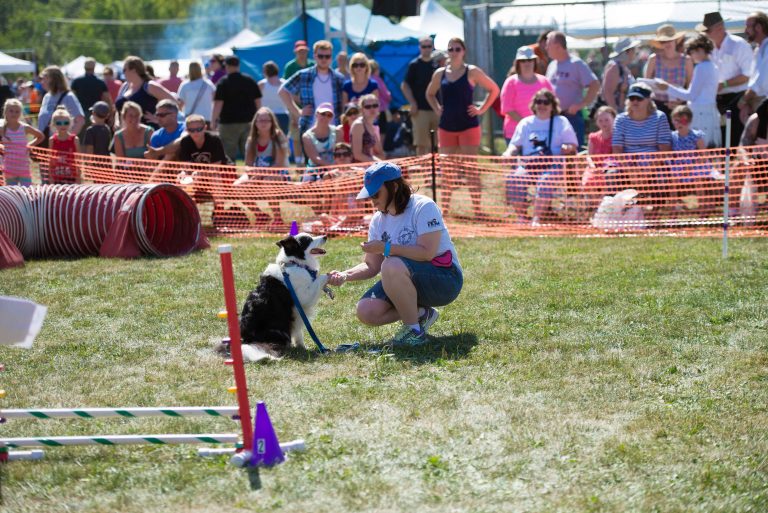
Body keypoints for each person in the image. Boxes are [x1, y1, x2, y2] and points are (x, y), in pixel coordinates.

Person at [326, 161, 463, 347]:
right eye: (370, 195)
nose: (372, 200)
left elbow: (427, 253)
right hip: (404, 277)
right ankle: (422, 314)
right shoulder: (377, 219)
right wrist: (345, 275)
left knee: (391, 264)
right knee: (366, 311)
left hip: (445, 280)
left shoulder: (424, 207)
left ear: (395, 187)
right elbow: (371, 266)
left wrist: (386, 248)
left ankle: (414, 331)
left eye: (376, 194)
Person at [425, 37, 499, 219]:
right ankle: (446, 210)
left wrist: (481, 109)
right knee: (447, 171)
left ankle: (477, 209)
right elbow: (430, 94)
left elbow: (494, 89)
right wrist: (437, 108)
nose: (454, 52)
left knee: (471, 169)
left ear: (463, 51)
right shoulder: (440, 73)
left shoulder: (471, 71)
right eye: (451, 49)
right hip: (447, 126)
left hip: (468, 126)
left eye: (457, 49)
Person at [502, 89, 578, 225]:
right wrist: (508, 153)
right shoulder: (526, 123)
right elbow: (514, 145)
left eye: (546, 102)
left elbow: (572, 144)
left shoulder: (561, 121)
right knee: (514, 179)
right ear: (534, 104)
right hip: (529, 164)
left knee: (545, 180)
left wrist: (567, 147)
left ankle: (536, 218)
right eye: (539, 102)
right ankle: (522, 217)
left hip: (553, 165)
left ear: (552, 105)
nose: (542, 105)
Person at [699, 11, 754, 147]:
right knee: (721, 142)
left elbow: (748, 75)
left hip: (738, 100)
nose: (705, 34)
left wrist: (723, 84)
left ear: (719, 28)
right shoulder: (710, 48)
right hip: (717, 101)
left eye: (707, 31)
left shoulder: (739, 45)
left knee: (735, 139)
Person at [656, 35, 721, 148]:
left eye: (692, 52)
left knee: (697, 149)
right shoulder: (713, 66)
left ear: (700, 50)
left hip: (700, 114)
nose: (691, 56)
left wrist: (667, 87)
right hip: (709, 112)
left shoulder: (701, 67)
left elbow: (691, 95)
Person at [279, 40, 345, 138]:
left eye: (327, 56)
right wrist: (298, 112)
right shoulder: (304, 75)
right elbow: (282, 91)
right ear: (314, 56)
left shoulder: (339, 78)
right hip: (309, 128)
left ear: (331, 58)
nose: (324, 59)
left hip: (334, 130)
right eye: (320, 56)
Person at [545, 31, 600, 149]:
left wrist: (581, 105)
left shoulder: (576, 64)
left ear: (558, 46)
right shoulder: (552, 65)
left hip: (571, 116)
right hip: (553, 116)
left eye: (548, 44)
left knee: (574, 150)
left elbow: (594, 84)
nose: (546, 48)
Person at [238, 107, 290, 227]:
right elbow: (248, 165)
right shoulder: (252, 140)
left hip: (278, 174)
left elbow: (279, 163)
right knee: (238, 186)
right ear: (255, 123)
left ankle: (278, 218)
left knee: (268, 181)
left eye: (266, 120)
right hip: (258, 174)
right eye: (260, 120)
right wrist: (252, 175)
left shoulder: (278, 137)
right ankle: (260, 215)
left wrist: (261, 174)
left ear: (272, 122)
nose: (263, 123)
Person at [211, 55, 262, 162]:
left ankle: (230, 177)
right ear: (238, 65)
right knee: (249, 152)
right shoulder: (250, 80)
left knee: (228, 155)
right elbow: (258, 102)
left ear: (226, 66)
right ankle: (252, 176)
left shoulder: (223, 82)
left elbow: (218, 104)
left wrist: (213, 121)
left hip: (228, 124)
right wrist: (259, 118)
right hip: (249, 122)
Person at [500, 46, 554, 141]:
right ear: (518, 63)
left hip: (541, 132)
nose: (527, 63)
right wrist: (527, 125)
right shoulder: (510, 82)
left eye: (530, 60)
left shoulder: (544, 81)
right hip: (515, 133)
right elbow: (507, 108)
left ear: (534, 62)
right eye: (523, 61)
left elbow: (552, 105)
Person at [644, 24, 694, 127]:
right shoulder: (653, 59)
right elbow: (645, 85)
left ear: (676, 40)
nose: (667, 43)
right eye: (663, 41)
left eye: (670, 39)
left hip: (680, 108)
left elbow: (691, 87)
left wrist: (681, 100)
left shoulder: (687, 60)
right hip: (657, 108)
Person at [401, 36, 439, 156]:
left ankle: (439, 169)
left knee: (439, 142)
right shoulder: (414, 65)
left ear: (432, 47)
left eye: (429, 46)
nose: (427, 49)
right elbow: (405, 85)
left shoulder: (437, 64)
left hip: (437, 108)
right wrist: (412, 103)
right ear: (419, 48)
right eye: (424, 46)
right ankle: (424, 170)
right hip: (420, 110)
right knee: (422, 143)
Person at [115, 56, 175, 129]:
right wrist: (117, 121)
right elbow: (118, 110)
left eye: (124, 70)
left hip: (148, 135)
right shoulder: (124, 86)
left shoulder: (149, 86)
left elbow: (174, 102)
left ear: (134, 70)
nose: (123, 73)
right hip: (125, 135)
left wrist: (159, 119)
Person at [612, 84, 672, 154]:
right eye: (632, 98)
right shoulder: (620, 119)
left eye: (639, 98)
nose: (635, 101)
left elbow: (664, 147)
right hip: (627, 162)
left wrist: (654, 164)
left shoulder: (660, 117)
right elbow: (617, 147)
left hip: (653, 162)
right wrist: (625, 164)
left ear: (649, 99)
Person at [282, 40, 316, 165]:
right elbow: (286, 88)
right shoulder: (290, 67)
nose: (302, 54)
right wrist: (295, 105)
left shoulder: (313, 65)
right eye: (300, 51)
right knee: (296, 136)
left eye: (304, 51)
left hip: (312, 107)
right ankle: (298, 163)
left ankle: (311, 161)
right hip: (296, 107)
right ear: (295, 52)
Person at [37, 66, 86, 147]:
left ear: (54, 79)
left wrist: (67, 140)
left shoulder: (68, 96)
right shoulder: (47, 96)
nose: (42, 82)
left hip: (60, 147)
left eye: (45, 78)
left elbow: (80, 121)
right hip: (45, 144)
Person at [0, 99, 44, 186]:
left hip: (24, 168)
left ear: (20, 113)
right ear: (5, 112)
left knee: (26, 192)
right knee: (12, 193)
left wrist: (29, 145)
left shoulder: (24, 127)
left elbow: (40, 136)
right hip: (9, 168)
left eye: (17, 111)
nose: (14, 113)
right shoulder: (2, 129)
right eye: (11, 111)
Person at [581, 105, 617, 211]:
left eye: (607, 120)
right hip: (594, 168)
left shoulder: (617, 136)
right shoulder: (593, 137)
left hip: (609, 168)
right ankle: (594, 208)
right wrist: (592, 166)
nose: (604, 123)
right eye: (600, 120)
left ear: (614, 119)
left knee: (607, 180)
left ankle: (602, 208)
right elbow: (589, 155)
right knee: (588, 181)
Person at [70, 57, 111, 138]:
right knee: (95, 140)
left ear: (84, 67)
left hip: (80, 115)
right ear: (94, 67)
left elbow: (71, 98)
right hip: (96, 115)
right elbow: (107, 100)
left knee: (80, 139)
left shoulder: (76, 81)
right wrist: (109, 114)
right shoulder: (100, 83)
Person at [738, 12, 768, 125]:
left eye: (748, 26)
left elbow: (760, 82)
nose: (745, 30)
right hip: (759, 105)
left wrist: (743, 100)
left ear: (759, 27)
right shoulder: (758, 49)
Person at [302, 102, 343, 179]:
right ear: (316, 114)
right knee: (307, 182)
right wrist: (331, 167)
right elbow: (315, 158)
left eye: (329, 115)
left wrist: (335, 167)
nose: (325, 117)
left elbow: (340, 151)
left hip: (335, 167)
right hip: (314, 170)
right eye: (323, 114)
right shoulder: (307, 136)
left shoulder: (337, 131)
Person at [600, 38, 640, 113]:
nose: (636, 52)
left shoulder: (623, 67)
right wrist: (615, 113)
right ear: (627, 51)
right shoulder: (615, 67)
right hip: (617, 112)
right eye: (634, 49)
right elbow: (607, 92)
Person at [48, 107, 80, 184]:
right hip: (57, 178)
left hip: (71, 177)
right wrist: (50, 177)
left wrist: (79, 177)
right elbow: (50, 161)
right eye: (59, 123)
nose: (63, 126)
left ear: (70, 123)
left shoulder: (74, 139)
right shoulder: (52, 140)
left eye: (66, 123)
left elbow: (78, 160)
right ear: (54, 124)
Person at [258, 61, 289, 136]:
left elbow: (256, 101)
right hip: (283, 116)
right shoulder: (285, 83)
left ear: (265, 71)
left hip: (265, 116)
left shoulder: (261, 84)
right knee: (282, 141)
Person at [350, 94, 384, 163]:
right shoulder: (358, 125)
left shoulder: (372, 126)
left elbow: (381, 153)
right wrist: (377, 163)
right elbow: (357, 155)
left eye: (375, 105)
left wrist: (379, 162)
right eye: (368, 107)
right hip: (359, 169)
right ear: (362, 109)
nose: (372, 109)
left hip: (370, 165)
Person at [369, 59, 392, 126]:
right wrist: (389, 96)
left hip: (368, 110)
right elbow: (386, 94)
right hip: (380, 110)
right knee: (381, 133)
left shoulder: (365, 80)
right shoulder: (378, 80)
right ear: (375, 69)